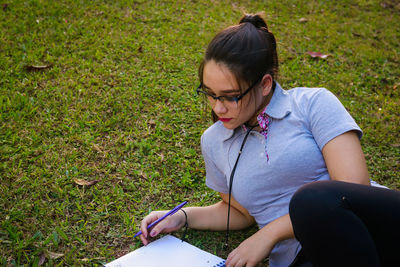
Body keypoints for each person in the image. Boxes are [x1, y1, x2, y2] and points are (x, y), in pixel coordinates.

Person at [138, 13, 397, 267]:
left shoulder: (313, 104)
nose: (218, 108)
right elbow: (239, 213)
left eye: (231, 97)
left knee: (311, 200)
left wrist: (269, 234)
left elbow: (351, 190)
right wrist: (181, 217)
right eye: (210, 94)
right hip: (305, 258)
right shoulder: (213, 141)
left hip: (374, 227)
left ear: (264, 84)